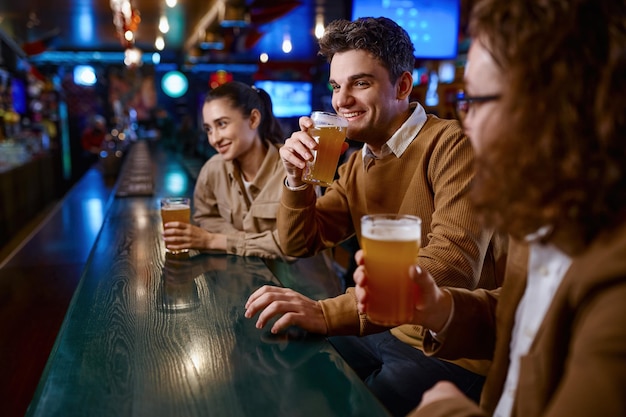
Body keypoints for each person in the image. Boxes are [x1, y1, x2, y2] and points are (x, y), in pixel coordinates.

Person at [352, 1, 626, 416]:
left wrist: (448, 410)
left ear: (554, 107)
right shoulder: (549, 218)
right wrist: (442, 309)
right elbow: (527, 317)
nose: (468, 122)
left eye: (475, 100)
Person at [244, 17, 503, 416]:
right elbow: (299, 242)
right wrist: (296, 183)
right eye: (335, 86)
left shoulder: (452, 145)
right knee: (287, 364)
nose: (340, 100)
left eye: (360, 83)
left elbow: (452, 269)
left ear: (402, 86)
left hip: (454, 353)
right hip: (384, 330)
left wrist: (327, 311)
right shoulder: (357, 161)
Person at [162, 81, 292, 260]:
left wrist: (215, 241)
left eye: (222, 124)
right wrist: (251, 242)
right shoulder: (213, 169)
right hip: (242, 275)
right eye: (208, 129)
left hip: (299, 283)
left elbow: (292, 246)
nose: (214, 139)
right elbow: (205, 218)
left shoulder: (293, 169)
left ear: (253, 119)